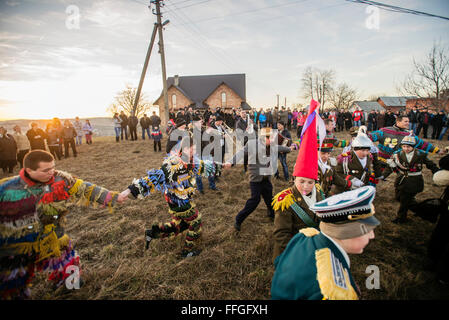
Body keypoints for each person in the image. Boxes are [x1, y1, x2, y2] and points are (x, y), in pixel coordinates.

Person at [0, 150, 126, 299]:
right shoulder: (8, 189)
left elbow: (85, 188)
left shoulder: (61, 180)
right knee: (12, 279)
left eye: (53, 167)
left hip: (54, 234)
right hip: (20, 242)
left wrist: (112, 197)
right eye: (46, 170)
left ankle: (72, 287)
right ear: (29, 170)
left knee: (67, 260)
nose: (51, 172)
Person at [119, 136, 222, 258]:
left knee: (179, 225)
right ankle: (186, 252)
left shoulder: (191, 161)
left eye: (195, 149)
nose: (193, 152)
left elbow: (202, 166)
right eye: (191, 150)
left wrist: (220, 165)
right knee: (195, 221)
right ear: (183, 149)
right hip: (178, 202)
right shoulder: (172, 164)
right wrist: (129, 190)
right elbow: (154, 178)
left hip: (180, 200)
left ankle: (152, 233)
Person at [271, 186, 380, 300]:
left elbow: (282, 263)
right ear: (346, 233)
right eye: (367, 230)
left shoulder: (305, 236)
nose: (372, 235)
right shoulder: (332, 292)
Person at [271, 100, 325, 261]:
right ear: (294, 178)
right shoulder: (285, 200)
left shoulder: (320, 191)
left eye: (310, 182)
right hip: (293, 253)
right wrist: (297, 254)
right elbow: (281, 235)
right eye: (301, 181)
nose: (306, 186)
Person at [226, 127, 294, 232]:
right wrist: (231, 162)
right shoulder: (252, 144)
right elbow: (241, 153)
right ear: (263, 138)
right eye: (270, 138)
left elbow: (279, 148)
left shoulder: (271, 145)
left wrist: (290, 149)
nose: (272, 140)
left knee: (269, 198)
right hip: (256, 179)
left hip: (266, 178)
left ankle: (271, 215)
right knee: (255, 200)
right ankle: (238, 220)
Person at [381, 135, 439, 224]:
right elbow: (390, 167)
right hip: (401, 180)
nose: (406, 148)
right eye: (404, 146)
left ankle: (401, 218)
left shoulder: (420, 154)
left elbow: (430, 164)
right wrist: (383, 176)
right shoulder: (398, 154)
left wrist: (437, 171)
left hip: (414, 181)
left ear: (413, 147)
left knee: (405, 200)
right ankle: (423, 211)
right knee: (399, 198)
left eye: (408, 146)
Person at [368, 115, 440, 169]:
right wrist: (362, 135)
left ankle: (435, 170)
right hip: (382, 159)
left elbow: (422, 144)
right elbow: (371, 137)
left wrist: (437, 150)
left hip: (400, 160)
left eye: (408, 121)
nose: (408, 123)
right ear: (398, 122)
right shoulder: (385, 130)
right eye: (405, 121)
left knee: (421, 154)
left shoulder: (409, 135)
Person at [335, 128, 380, 194]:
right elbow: (337, 174)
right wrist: (352, 179)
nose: (365, 153)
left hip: (360, 191)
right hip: (345, 191)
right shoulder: (345, 159)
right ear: (355, 149)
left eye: (367, 150)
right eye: (362, 150)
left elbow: (366, 172)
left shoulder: (369, 157)